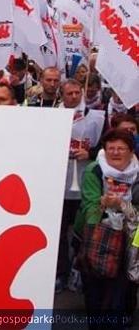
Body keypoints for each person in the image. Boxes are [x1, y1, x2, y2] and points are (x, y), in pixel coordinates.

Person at [74, 129, 139, 326]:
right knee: (94, 294)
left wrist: (121, 205)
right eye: (111, 148)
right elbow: (89, 206)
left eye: (121, 148)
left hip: (129, 241)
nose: (116, 153)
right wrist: (102, 206)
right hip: (96, 239)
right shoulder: (95, 170)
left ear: (131, 151)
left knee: (120, 294)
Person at [57, 79, 105, 293]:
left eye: (78, 92)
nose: (74, 97)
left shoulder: (96, 117)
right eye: (70, 93)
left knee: (84, 233)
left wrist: (91, 154)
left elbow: (107, 146)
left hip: (85, 187)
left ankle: (80, 269)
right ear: (62, 95)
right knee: (58, 234)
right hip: (60, 185)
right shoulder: (52, 116)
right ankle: (61, 272)